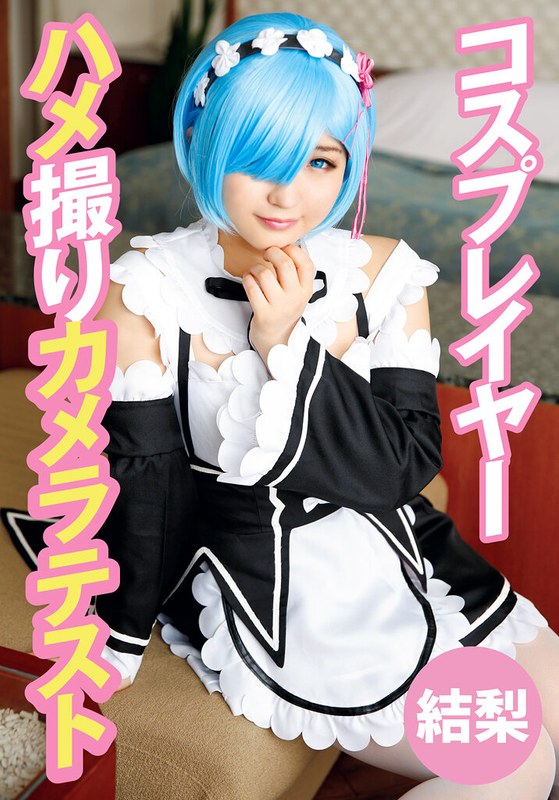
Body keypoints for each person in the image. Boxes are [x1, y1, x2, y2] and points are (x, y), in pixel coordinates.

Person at [96, 12, 559, 798]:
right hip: (275, 590)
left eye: (319, 161)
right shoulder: (144, 291)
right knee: (511, 763)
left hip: (406, 551)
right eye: (258, 160)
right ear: (203, 146)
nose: (289, 195)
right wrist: (117, 639)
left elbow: (405, 465)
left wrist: (289, 343)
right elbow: (150, 487)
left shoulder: (382, 272)